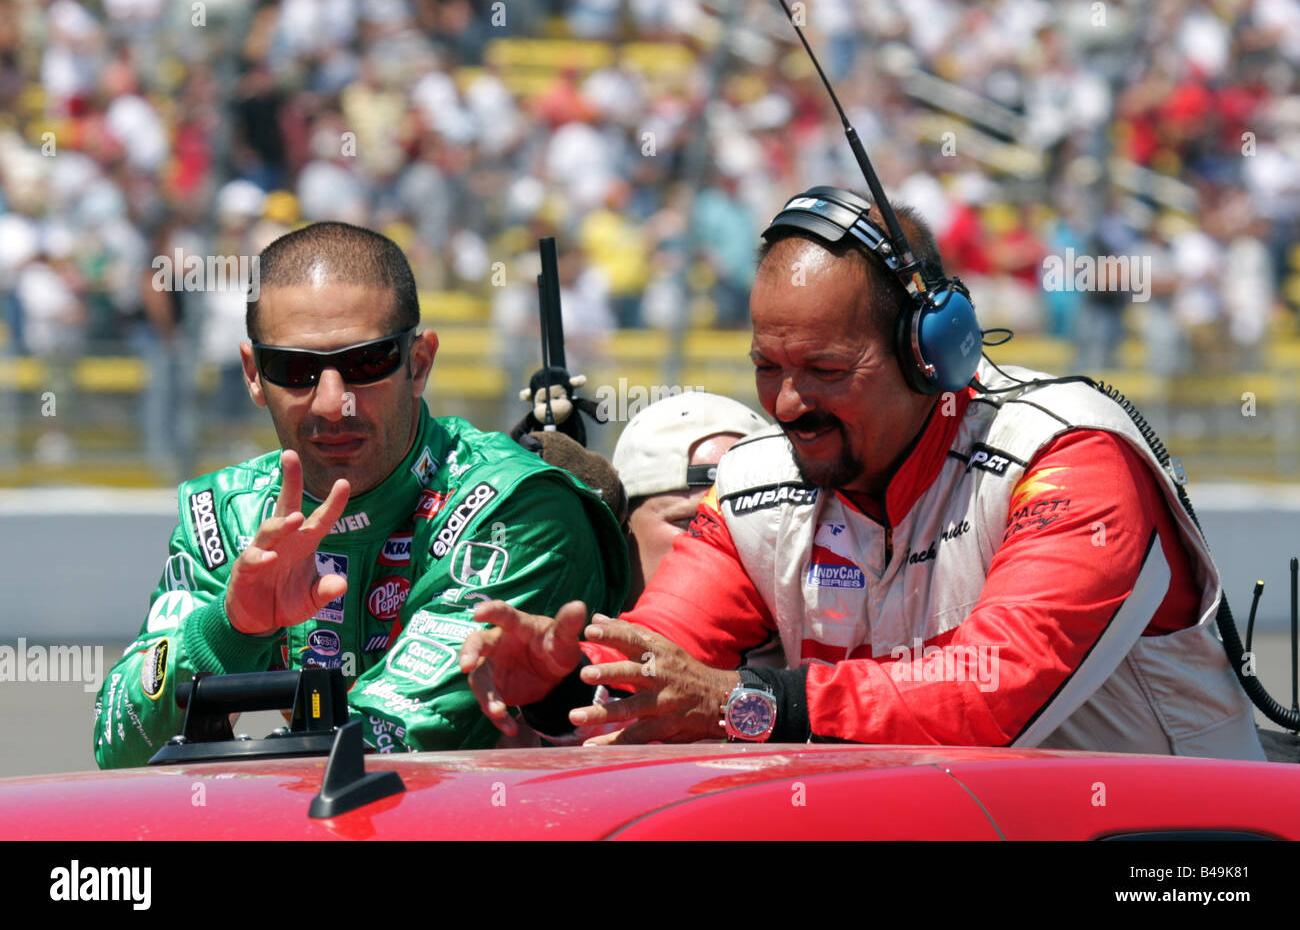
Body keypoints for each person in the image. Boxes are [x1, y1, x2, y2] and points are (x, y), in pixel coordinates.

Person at [459, 187, 1265, 760]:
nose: (785, 402)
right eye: (766, 365)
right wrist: (560, 682)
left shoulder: (1070, 461)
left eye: (827, 368)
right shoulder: (751, 486)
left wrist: (750, 702)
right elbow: (656, 665)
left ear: (931, 353)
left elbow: (992, 694)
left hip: (1175, 856)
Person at [94, 222, 627, 768]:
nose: (331, 403)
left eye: (365, 363)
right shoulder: (227, 514)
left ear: (418, 364)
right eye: (295, 369)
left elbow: (403, 735)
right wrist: (229, 630)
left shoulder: (514, 505)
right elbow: (119, 745)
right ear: (254, 375)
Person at [612, 391, 767, 609]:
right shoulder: (565, 635)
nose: (722, 547)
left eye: (747, 525)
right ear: (621, 528)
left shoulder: (819, 636)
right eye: (693, 522)